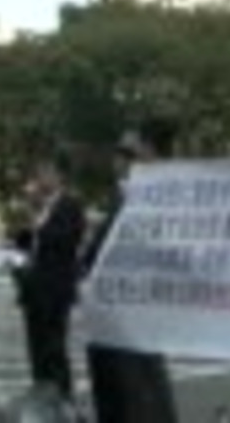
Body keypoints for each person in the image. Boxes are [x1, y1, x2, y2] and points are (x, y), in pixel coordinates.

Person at [84, 119, 180, 423]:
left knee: (141, 403)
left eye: (128, 153)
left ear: (152, 155)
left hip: (137, 325)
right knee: (115, 403)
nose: (119, 161)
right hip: (107, 325)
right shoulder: (121, 199)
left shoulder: (163, 204)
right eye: (117, 153)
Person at [12, 156, 86, 400]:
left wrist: (37, 224)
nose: (40, 179)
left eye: (45, 173)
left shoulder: (69, 205)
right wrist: (27, 220)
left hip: (55, 287)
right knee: (36, 348)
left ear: (58, 177)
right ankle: (41, 396)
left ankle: (63, 399)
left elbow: (67, 239)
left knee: (53, 348)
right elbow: (26, 243)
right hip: (34, 287)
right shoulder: (40, 207)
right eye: (38, 173)